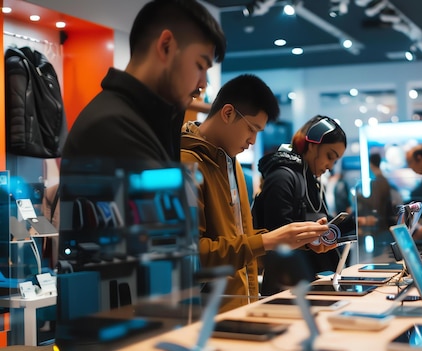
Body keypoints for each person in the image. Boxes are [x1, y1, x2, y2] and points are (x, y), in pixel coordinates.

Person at [179, 75, 330, 311]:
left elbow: (241, 240)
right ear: (227, 113)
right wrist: (267, 240)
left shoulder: (232, 164)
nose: (252, 140)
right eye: (252, 129)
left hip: (240, 308)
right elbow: (191, 256)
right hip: (206, 318)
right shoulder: (187, 165)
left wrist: (301, 240)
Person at [62, 0, 226, 166]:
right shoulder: (112, 128)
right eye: (200, 66)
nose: (203, 84)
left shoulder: (146, 121)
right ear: (166, 46)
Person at [253, 115, 347, 296]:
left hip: (311, 281)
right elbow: (276, 239)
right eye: (329, 156)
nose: (330, 166)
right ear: (311, 145)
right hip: (286, 285)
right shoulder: (282, 177)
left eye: (335, 161)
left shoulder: (311, 181)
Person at [356, 153, 394, 258]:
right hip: (385, 224)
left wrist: (359, 197)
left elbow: (374, 204)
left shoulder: (377, 182)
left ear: (371, 164)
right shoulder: (384, 180)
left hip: (380, 225)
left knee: (379, 257)